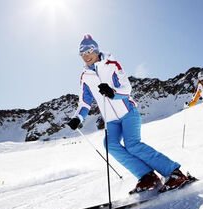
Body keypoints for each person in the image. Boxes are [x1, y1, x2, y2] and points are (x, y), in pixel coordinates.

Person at [67, 34, 196, 193]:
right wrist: (77, 118)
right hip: (111, 120)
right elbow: (84, 102)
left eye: (88, 52)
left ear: (96, 50)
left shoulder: (112, 64)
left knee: (132, 145)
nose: (85, 56)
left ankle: (174, 173)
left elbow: (127, 89)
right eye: (82, 54)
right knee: (110, 145)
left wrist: (112, 92)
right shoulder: (85, 77)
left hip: (128, 112)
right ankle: (147, 176)